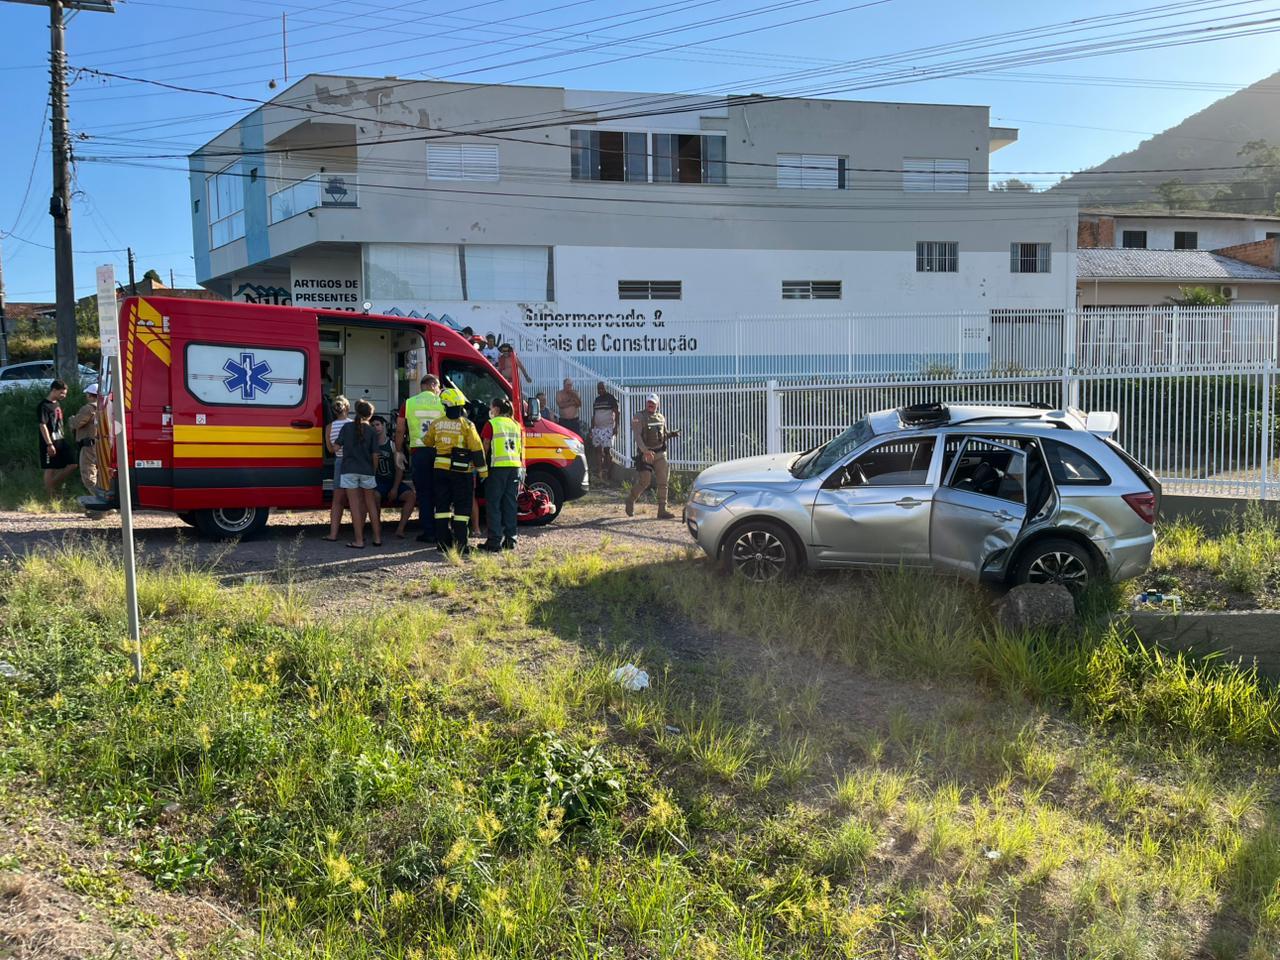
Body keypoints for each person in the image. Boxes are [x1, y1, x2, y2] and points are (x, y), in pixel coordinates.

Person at [422, 386, 488, 555]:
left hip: (440, 471)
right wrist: (483, 473)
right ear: (460, 406)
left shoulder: (437, 424)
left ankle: (443, 544)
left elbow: (427, 442)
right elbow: (477, 449)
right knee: (462, 509)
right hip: (461, 472)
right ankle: (461, 545)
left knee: (442, 508)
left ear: (445, 406)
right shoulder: (467, 425)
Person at [396, 374, 443, 544]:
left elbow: (400, 430)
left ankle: (428, 532)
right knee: (441, 491)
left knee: (424, 493)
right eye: (437, 387)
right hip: (440, 451)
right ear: (432, 385)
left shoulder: (409, 403)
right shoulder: (442, 402)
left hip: (419, 452)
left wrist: (399, 451)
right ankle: (443, 530)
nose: (438, 390)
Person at [626, 393, 680, 520]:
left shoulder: (661, 417)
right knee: (645, 481)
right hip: (646, 454)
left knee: (663, 481)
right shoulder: (639, 417)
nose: (650, 405)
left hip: (660, 453)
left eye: (653, 403)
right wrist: (645, 451)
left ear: (657, 405)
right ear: (646, 403)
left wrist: (671, 434)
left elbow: (662, 434)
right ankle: (630, 500)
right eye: (649, 402)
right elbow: (637, 436)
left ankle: (662, 509)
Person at [336, 399, 382, 548]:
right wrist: (373, 471)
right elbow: (375, 455)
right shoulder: (372, 431)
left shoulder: (347, 427)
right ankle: (377, 538)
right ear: (370, 415)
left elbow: (335, 448)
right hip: (367, 470)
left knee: (355, 506)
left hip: (349, 470)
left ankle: (359, 540)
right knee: (371, 505)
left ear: (356, 412)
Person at [480, 397, 523, 552]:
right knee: (510, 504)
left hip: (498, 468)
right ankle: (511, 539)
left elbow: (484, 446)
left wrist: (480, 465)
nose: (490, 410)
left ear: (496, 409)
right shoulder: (516, 424)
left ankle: (494, 541)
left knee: (494, 504)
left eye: (491, 407)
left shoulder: (491, 424)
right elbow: (520, 447)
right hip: (514, 467)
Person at [373, 416, 416, 538]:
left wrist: (395, 488)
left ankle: (400, 529)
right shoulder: (370, 445)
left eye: (378, 424)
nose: (375, 428)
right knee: (374, 496)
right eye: (373, 425)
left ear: (384, 426)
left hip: (393, 482)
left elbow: (399, 469)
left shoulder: (392, 445)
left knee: (411, 496)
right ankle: (377, 526)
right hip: (378, 483)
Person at [37, 379, 77, 496]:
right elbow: (42, 425)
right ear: (54, 390)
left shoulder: (57, 404)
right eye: (62, 393)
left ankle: (51, 485)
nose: (64, 396)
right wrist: (49, 444)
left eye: (65, 393)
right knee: (50, 468)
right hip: (49, 442)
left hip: (61, 440)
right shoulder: (43, 406)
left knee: (73, 464)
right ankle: (51, 495)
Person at [323, 396, 352, 541]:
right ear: (348, 408)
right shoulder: (354, 424)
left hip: (339, 462)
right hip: (354, 462)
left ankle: (333, 534)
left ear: (334, 411)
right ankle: (359, 533)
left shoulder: (330, 427)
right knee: (355, 500)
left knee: (337, 500)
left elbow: (330, 449)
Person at [70, 383, 100, 494]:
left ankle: (100, 499)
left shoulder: (89, 408)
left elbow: (76, 423)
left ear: (89, 395)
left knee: (88, 474)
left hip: (89, 446)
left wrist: (71, 419)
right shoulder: (106, 407)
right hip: (102, 445)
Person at [590, 382, 620, 482]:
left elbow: (617, 413)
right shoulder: (597, 400)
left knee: (607, 450)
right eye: (599, 389)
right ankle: (600, 472)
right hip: (597, 428)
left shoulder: (611, 398)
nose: (600, 390)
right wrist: (592, 428)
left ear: (605, 388)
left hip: (608, 428)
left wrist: (616, 427)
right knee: (598, 450)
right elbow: (594, 415)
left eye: (602, 388)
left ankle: (607, 472)